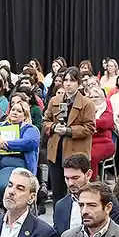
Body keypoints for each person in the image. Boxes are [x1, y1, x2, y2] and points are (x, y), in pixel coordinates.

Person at [42, 68, 97, 201]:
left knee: (79, 191)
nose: (68, 83)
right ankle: (58, 221)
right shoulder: (55, 100)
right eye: (65, 80)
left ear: (79, 83)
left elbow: (90, 128)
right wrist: (54, 127)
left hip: (76, 152)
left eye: (72, 80)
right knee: (57, 192)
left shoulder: (87, 103)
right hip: (56, 152)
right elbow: (45, 122)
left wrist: (69, 131)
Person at [0, 96, 39, 201]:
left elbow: (29, 142)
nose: (15, 112)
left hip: (15, 164)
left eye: (19, 111)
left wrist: (6, 143)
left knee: (2, 186)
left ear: (25, 115)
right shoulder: (0, 125)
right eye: (13, 109)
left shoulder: (30, 128)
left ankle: (7, 210)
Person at [84, 84, 117, 178]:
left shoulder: (107, 110)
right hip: (88, 141)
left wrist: (88, 123)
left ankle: (92, 181)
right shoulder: (86, 110)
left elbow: (104, 123)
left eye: (96, 97)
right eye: (91, 97)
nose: (94, 99)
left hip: (104, 143)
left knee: (91, 157)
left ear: (102, 97)